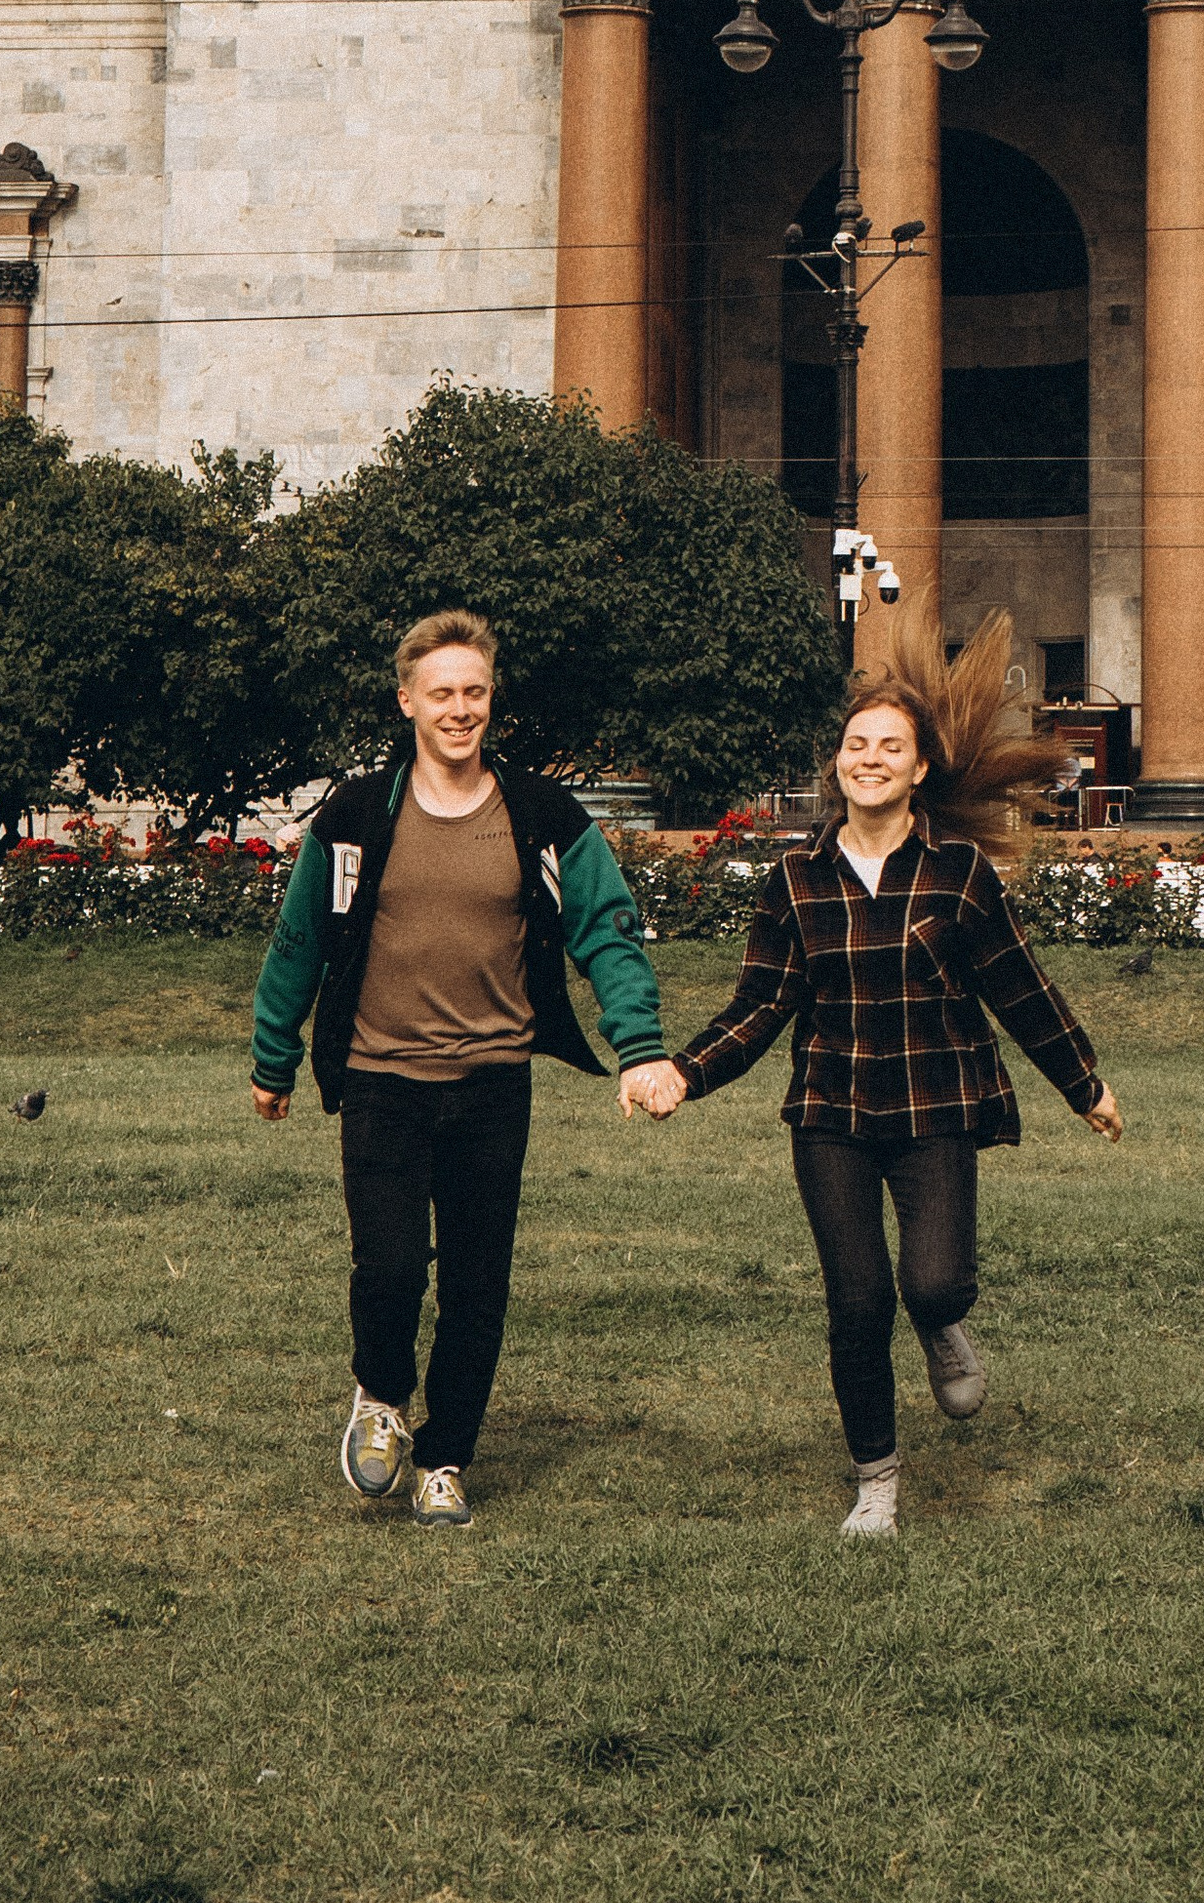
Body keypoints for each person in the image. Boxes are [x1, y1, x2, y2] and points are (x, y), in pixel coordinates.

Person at [634, 606, 1124, 1541]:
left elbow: (1022, 990)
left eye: (888, 747)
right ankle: (878, 1483)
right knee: (856, 1304)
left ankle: (942, 1324)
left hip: (937, 1108)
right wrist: (683, 1074)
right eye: (856, 745)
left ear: (919, 769)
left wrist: (1084, 1084)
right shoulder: (793, 882)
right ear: (838, 764)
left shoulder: (960, 874)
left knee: (931, 1283)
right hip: (832, 1117)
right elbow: (759, 1006)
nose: (868, 759)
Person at [249, 609, 671, 1530]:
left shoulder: (541, 815)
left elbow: (609, 926)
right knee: (391, 1266)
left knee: (479, 1282)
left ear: (491, 701)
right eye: (441, 692)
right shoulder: (357, 816)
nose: (459, 708)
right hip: (381, 1080)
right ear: (407, 701)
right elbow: (300, 941)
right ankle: (383, 1397)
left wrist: (639, 1045)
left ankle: (445, 1460)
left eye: (474, 692)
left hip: (491, 1084)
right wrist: (273, 1055)